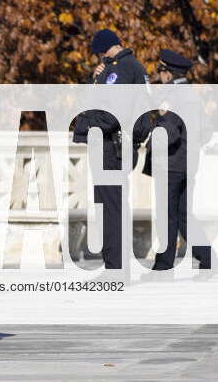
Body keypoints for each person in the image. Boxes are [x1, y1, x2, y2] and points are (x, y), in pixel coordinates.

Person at [134, 49, 218, 276]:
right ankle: (209, 260)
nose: (158, 74)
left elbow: (168, 135)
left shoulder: (173, 98)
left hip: (170, 165)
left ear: (169, 74)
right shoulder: (192, 95)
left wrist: (157, 122)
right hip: (187, 163)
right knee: (182, 215)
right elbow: (207, 131)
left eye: (160, 70)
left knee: (167, 216)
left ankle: (164, 266)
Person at [72, 29, 148, 271]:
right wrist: (95, 80)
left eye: (99, 54)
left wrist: (88, 126)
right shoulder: (130, 67)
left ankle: (116, 269)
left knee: (111, 210)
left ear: (104, 50)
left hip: (110, 147)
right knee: (112, 208)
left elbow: (111, 111)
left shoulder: (120, 69)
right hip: (118, 146)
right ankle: (116, 267)